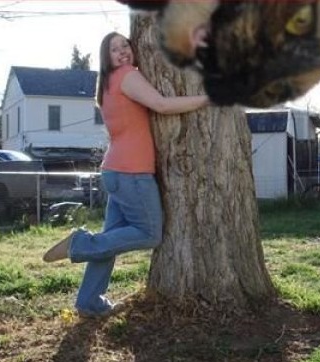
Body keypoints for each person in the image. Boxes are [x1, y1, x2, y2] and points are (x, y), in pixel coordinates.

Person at [42, 32, 209, 318]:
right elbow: (162, 105)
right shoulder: (127, 75)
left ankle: (89, 302)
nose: (122, 51)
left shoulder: (107, 83)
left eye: (125, 45)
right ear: (106, 58)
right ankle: (79, 244)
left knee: (111, 239)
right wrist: (207, 98)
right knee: (150, 234)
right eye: (114, 49)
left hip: (115, 171)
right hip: (132, 172)